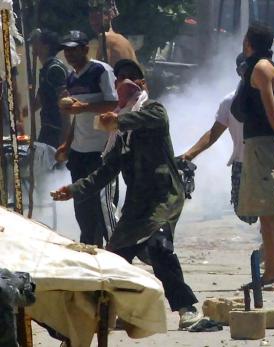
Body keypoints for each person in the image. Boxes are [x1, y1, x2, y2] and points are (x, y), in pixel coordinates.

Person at [52, 59, 202, 329]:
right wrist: (73, 190)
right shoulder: (118, 134)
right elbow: (105, 172)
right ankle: (117, 313)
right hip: (137, 205)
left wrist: (118, 120)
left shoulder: (153, 111)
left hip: (163, 197)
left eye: (130, 77)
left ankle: (186, 309)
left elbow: (145, 119)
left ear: (142, 83)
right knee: (115, 259)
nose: (123, 81)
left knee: (159, 247)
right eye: (119, 77)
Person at [182, 53, 274, 225]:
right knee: (244, 212)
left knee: (271, 211)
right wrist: (189, 154)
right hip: (242, 163)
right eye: (243, 68)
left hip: (269, 161)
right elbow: (213, 133)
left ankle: (268, 249)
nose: (247, 72)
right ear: (238, 72)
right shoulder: (229, 101)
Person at [231, 22, 274, 285]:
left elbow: (273, 112)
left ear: (249, 42)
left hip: (263, 143)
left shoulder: (261, 68)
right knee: (264, 210)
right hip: (257, 143)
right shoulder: (260, 66)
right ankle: (271, 270)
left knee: (272, 209)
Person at [56, 30, 118, 247]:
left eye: (74, 49)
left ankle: (113, 250)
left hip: (101, 150)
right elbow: (76, 118)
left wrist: (86, 107)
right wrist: (67, 143)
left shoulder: (101, 71)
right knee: (82, 206)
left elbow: (114, 104)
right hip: (79, 152)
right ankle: (89, 246)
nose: (69, 54)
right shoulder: (71, 77)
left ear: (85, 49)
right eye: (66, 50)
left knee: (102, 206)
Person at [30, 29, 69, 148]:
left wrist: (64, 136)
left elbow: (65, 102)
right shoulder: (46, 69)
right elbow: (41, 98)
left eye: (36, 43)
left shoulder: (54, 69)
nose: (32, 46)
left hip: (56, 128)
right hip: (47, 126)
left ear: (46, 46)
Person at [88, 0, 138, 65]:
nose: (93, 21)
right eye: (91, 17)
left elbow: (102, 70)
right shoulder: (126, 42)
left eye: (96, 16)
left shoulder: (104, 37)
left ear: (108, 16)